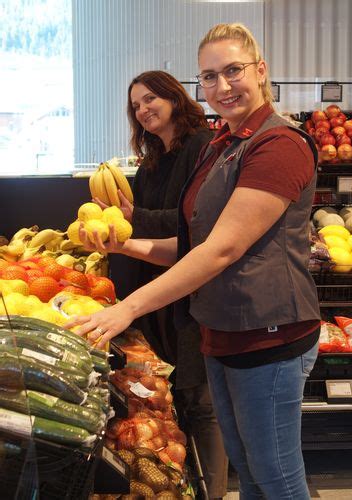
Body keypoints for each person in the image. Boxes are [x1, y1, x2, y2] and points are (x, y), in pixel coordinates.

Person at [67, 23, 321, 499]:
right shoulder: (224, 145)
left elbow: (222, 249)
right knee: (247, 468)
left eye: (233, 71)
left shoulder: (278, 144)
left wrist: (128, 308)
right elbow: (193, 243)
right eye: (209, 77)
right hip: (221, 333)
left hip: (269, 332)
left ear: (260, 71)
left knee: (276, 477)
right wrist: (124, 247)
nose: (222, 87)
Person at [93, 70, 228, 499]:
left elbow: (195, 225)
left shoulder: (201, 149)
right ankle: (185, 484)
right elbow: (146, 221)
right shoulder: (154, 157)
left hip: (194, 292)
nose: (144, 109)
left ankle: (215, 490)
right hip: (161, 294)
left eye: (151, 99)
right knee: (173, 400)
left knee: (200, 401)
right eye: (136, 105)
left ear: (174, 98)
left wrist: (133, 221)